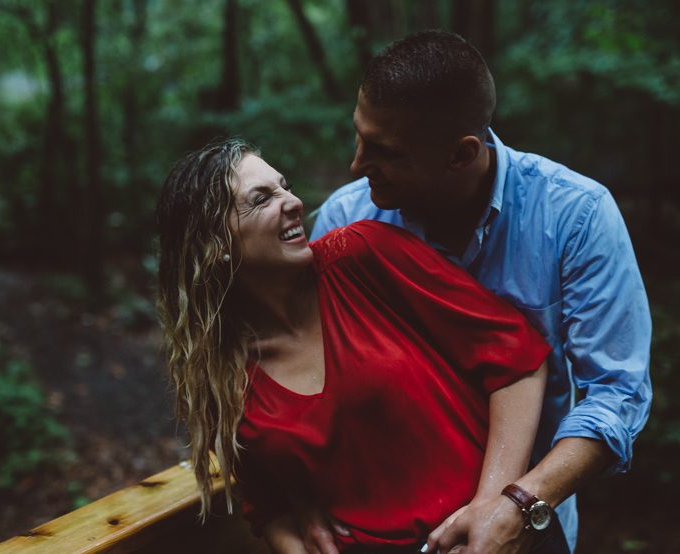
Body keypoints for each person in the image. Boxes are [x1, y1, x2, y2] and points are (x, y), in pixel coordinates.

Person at [309, 30, 652, 554]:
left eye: (385, 151)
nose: (357, 164)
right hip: (380, 530)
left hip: (530, 524)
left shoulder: (575, 216)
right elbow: (310, 377)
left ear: (461, 154)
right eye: (359, 136)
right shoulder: (345, 218)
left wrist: (518, 503)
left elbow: (617, 393)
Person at [155, 138, 563, 553]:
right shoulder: (223, 373)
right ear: (217, 245)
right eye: (261, 199)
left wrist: (493, 509)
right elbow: (268, 506)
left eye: (285, 186)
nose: (293, 202)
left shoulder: (361, 256)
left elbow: (517, 359)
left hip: (497, 537)